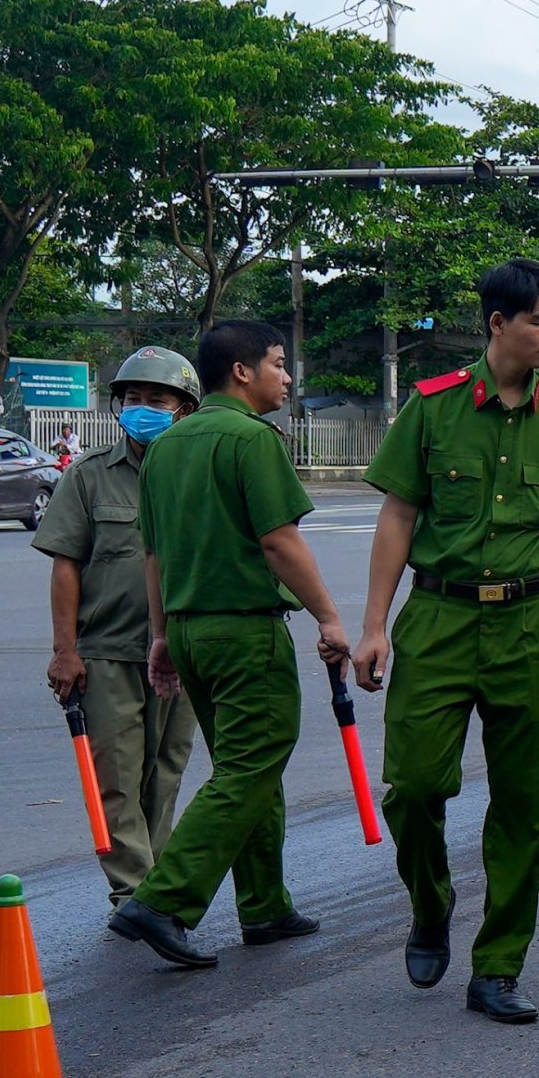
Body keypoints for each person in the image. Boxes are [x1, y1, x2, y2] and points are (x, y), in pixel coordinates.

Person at [352, 259, 539, 1025]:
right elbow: (398, 515)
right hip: (437, 620)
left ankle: (497, 965)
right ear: (497, 323)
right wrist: (373, 624)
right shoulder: (431, 408)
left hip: (531, 627)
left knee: (525, 804)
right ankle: (431, 903)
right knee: (417, 786)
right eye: (537, 319)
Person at [108, 320, 351, 970]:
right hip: (243, 628)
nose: (286, 376)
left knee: (248, 766)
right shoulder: (252, 439)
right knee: (253, 762)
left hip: (188, 631)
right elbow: (279, 540)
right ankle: (164, 900)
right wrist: (328, 617)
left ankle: (265, 904)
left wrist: (161, 637)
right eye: (278, 362)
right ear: (241, 372)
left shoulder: (166, 449)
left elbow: (152, 556)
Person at [37, 346, 203, 908]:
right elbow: (66, 566)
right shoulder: (87, 478)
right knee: (117, 777)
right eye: (132, 399)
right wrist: (65, 652)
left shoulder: (201, 472)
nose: (142, 408)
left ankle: (154, 887)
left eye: (156, 399)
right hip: (108, 651)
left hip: (184, 649)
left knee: (166, 772)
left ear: (184, 408)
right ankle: (135, 893)